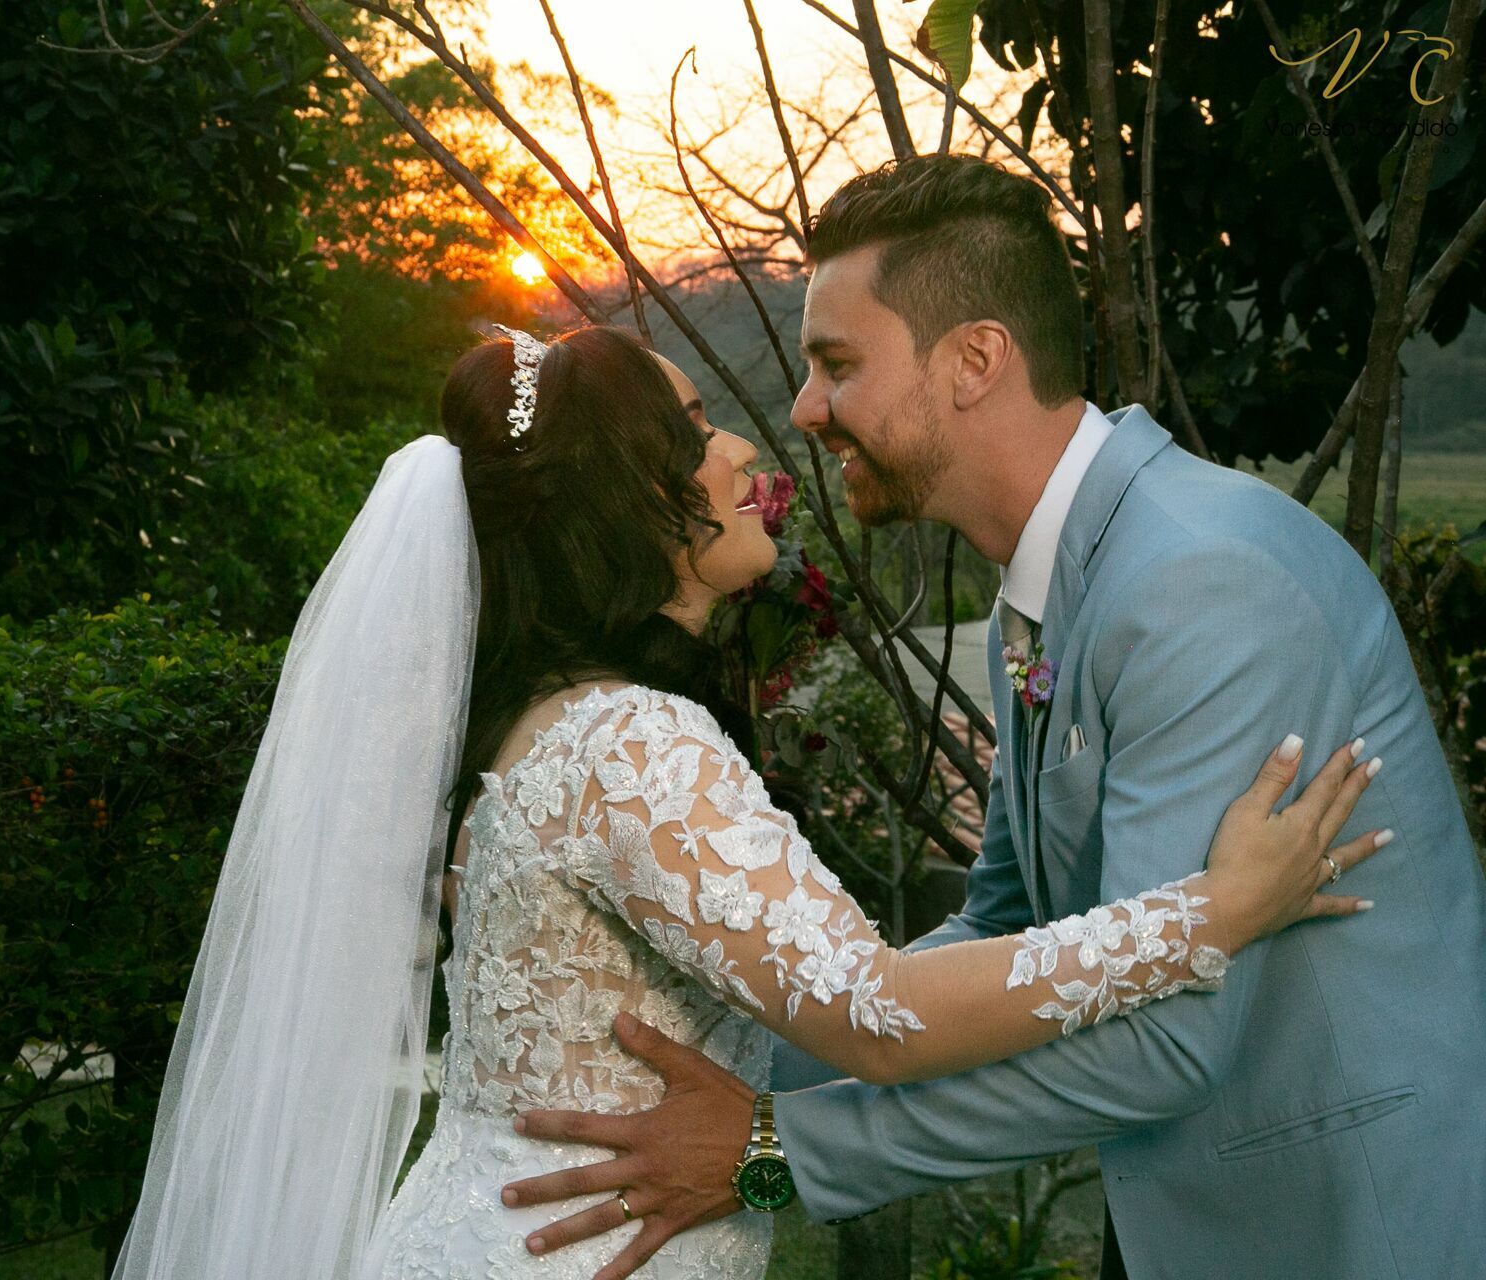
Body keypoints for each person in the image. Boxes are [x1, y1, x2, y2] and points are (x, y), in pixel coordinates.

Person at [107, 312, 1388, 1280]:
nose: (739, 448)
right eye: (690, 427)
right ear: (630, 494)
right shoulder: (632, 743)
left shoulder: (551, 723)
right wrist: (1208, 916)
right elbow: (877, 1014)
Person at [501, 156, 1486, 1280]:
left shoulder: (1201, 583)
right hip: (1189, 1222)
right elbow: (1006, 924)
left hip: (1340, 1227)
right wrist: (680, 1068)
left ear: (975, 360)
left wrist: (767, 1151)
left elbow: (1167, 1040)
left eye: (836, 364)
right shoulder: (1048, 589)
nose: (804, 408)